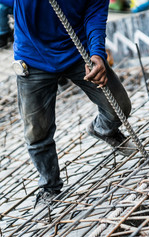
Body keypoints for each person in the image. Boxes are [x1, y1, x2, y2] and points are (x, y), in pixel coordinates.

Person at [1, 0, 136, 210]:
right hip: (33, 58)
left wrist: (97, 54)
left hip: (78, 51)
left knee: (118, 106)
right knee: (37, 131)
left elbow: (95, 15)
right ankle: (50, 187)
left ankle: (102, 129)